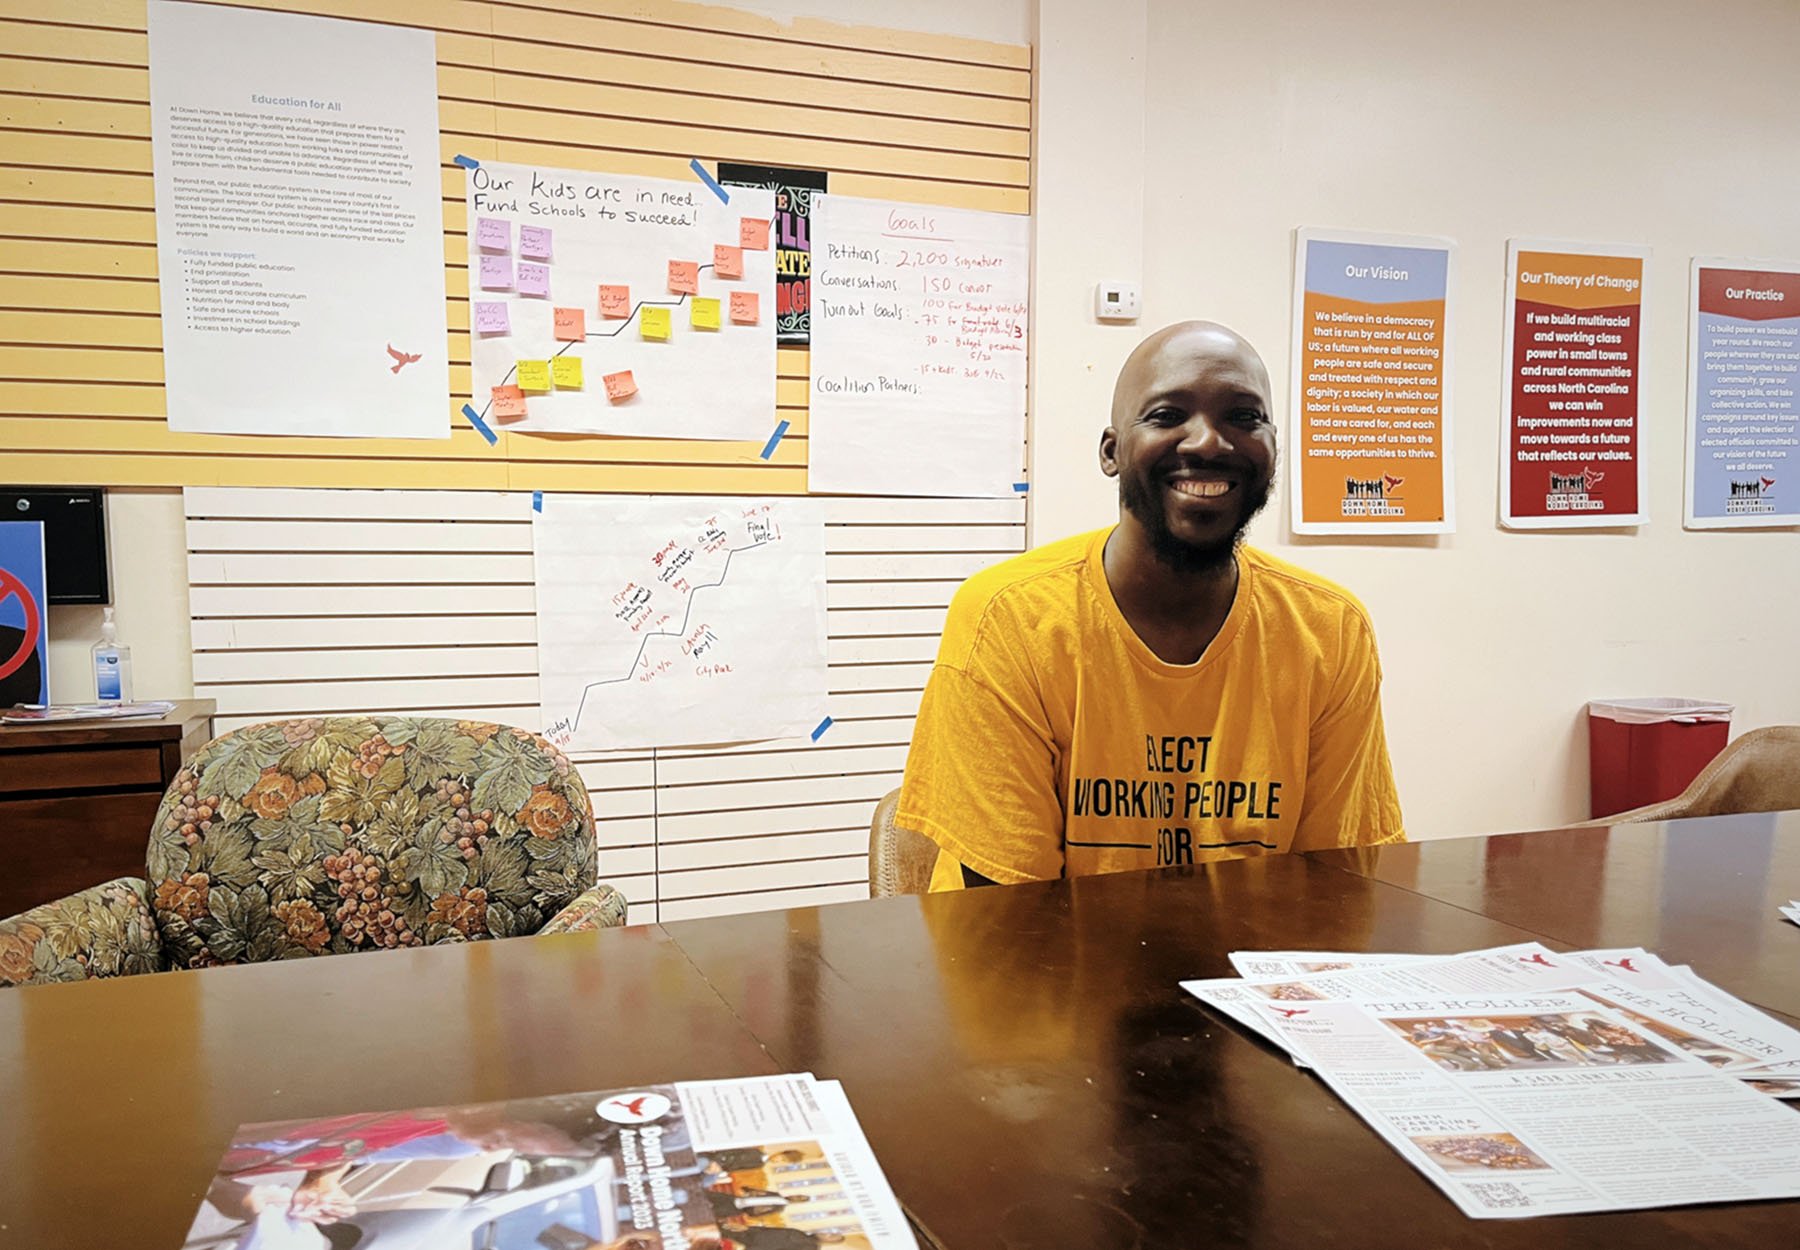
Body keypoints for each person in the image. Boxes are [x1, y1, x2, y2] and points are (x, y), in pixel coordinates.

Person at [899, 320, 1404, 888]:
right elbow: (1011, 923)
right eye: (1167, 415)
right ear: (1112, 452)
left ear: (1272, 448)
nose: (1209, 442)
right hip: (1047, 967)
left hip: (1247, 972)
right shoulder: (1010, 620)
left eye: (1244, 416)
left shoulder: (1331, 630)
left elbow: (1337, 885)